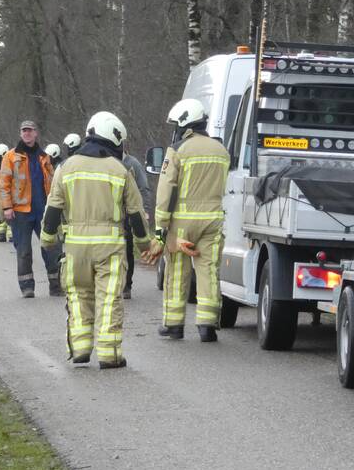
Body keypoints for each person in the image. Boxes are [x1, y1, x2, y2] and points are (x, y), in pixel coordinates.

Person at [40, 112, 151, 368]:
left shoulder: (65, 168)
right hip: (109, 249)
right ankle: (109, 354)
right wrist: (145, 245)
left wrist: (48, 241)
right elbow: (135, 213)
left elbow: (53, 209)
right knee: (109, 298)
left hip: (75, 248)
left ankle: (80, 348)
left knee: (79, 296)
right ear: (113, 138)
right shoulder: (120, 170)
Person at [147, 98, 229, 342]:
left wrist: (161, 231)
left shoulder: (178, 150)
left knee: (176, 270)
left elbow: (165, 191)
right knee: (208, 271)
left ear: (185, 123)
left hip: (182, 222)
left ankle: (174, 324)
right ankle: (207, 325)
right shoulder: (221, 151)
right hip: (212, 221)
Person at [0, 120, 62, 298]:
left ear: (36, 133)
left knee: (52, 247)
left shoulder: (44, 157)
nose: (26, 133)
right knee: (24, 250)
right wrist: (7, 207)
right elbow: (3, 184)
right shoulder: (10, 157)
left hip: (44, 210)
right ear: (20, 134)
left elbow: (53, 183)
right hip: (20, 211)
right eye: (24, 130)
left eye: (30, 130)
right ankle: (27, 287)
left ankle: (56, 285)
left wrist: (56, 207)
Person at [121, 146, 153, 299]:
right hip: (110, 215)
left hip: (129, 213)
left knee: (128, 248)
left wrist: (145, 211)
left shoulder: (133, 164)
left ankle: (127, 285)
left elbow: (143, 188)